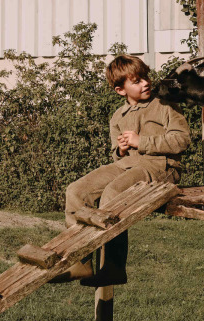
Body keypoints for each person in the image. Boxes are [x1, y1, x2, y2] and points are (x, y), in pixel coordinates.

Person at [52, 54, 191, 287]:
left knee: (113, 193)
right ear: (120, 90)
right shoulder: (118, 116)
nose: (145, 82)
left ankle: (114, 266)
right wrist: (122, 149)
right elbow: (115, 153)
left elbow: (182, 140)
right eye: (136, 81)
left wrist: (141, 141)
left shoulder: (165, 105)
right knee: (76, 191)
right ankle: (81, 261)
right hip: (128, 165)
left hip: (162, 167)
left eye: (145, 77)